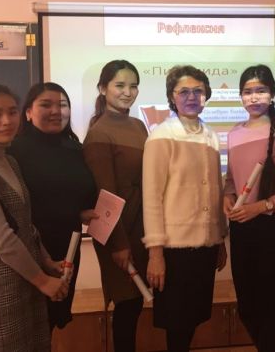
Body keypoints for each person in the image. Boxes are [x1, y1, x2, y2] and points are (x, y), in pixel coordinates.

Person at [0, 82, 98, 331]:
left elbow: (74, 195)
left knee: (45, 327)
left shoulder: (76, 149)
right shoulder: (11, 149)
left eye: (62, 105)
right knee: (21, 330)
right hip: (17, 256)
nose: (56, 111)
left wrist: (82, 211)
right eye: (46, 105)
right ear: (29, 112)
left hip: (63, 247)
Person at [224, 64, 275, 352]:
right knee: (246, 306)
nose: (254, 97)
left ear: (272, 95)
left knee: (268, 304)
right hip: (241, 227)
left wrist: (262, 206)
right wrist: (227, 196)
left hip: (273, 229)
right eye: (248, 91)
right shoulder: (234, 133)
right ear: (240, 96)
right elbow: (230, 180)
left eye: (261, 90)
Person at [142, 65, 228, 352]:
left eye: (198, 91)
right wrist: (155, 254)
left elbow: (215, 191)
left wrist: (220, 239)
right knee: (177, 323)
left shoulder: (211, 135)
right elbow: (152, 197)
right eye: (184, 91)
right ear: (172, 96)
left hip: (206, 246)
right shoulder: (161, 135)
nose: (192, 97)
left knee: (193, 317)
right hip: (174, 249)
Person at [83, 60, 149, 352]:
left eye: (133, 86)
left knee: (136, 304)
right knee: (127, 304)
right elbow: (104, 196)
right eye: (119, 85)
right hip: (117, 230)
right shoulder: (99, 132)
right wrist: (119, 244)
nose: (127, 92)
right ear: (102, 88)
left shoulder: (138, 125)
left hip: (143, 226)